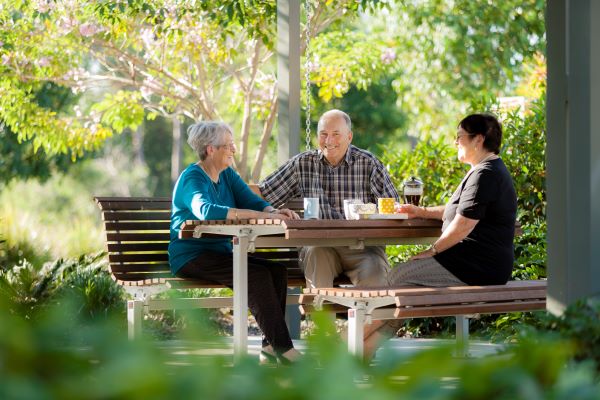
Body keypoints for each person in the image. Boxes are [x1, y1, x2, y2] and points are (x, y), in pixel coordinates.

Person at [362, 113, 517, 360]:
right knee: (402, 289)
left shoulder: (485, 174)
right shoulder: (485, 170)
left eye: (459, 137)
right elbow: (458, 211)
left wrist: (432, 250)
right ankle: (361, 352)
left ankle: (345, 347)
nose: (455, 142)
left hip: (476, 266)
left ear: (478, 139)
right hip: (478, 264)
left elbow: (463, 225)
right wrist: (421, 211)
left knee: (397, 277)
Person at [168, 121, 302, 365]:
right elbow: (205, 210)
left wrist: (273, 210)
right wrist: (265, 217)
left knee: (276, 270)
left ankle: (270, 347)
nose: (234, 150)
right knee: (256, 275)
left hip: (221, 253)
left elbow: (250, 199)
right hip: (191, 256)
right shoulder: (192, 178)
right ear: (211, 149)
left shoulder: (226, 174)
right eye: (229, 146)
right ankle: (285, 349)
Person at [259, 109, 400, 288]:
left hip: (363, 247)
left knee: (376, 278)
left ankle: (367, 316)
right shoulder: (303, 164)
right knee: (317, 256)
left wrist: (370, 214)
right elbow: (263, 193)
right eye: (323, 134)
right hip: (319, 245)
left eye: (336, 134)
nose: (329, 141)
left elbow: (394, 207)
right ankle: (319, 313)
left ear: (349, 137)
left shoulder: (369, 163)